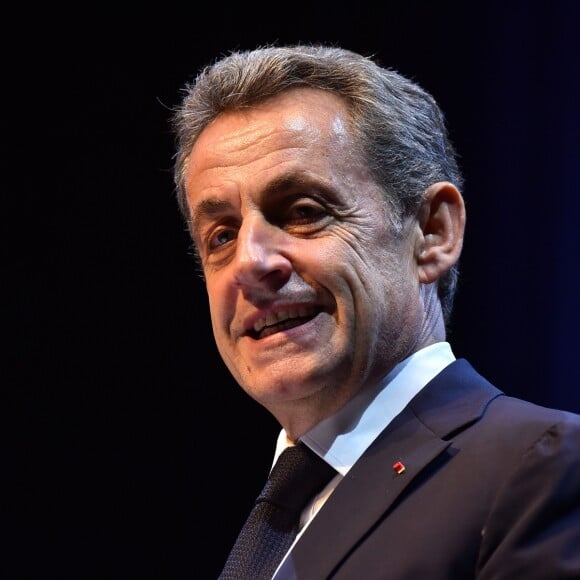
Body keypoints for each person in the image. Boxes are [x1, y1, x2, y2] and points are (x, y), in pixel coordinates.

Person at [170, 44, 580, 579]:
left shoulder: (541, 468)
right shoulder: (277, 519)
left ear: (432, 232)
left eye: (303, 212)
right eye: (221, 235)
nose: (250, 262)